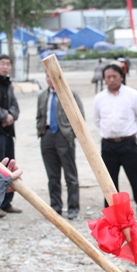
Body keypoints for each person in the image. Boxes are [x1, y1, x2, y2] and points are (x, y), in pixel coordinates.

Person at [94, 62, 137, 218]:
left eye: (114, 76)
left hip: (128, 143)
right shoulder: (99, 98)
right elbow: (97, 120)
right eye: (108, 77)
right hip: (108, 145)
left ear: (121, 77)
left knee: (136, 177)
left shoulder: (132, 95)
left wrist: (130, 132)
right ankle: (112, 212)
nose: (111, 79)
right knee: (109, 182)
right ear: (104, 79)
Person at [36, 74, 84, 220]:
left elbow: (80, 117)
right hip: (47, 135)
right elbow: (39, 116)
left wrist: (71, 134)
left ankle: (73, 208)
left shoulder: (70, 94)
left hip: (64, 136)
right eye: (48, 76)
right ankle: (55, 207)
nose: (51, 80)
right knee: (52, 176)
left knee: (70, 175)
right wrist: (41, 131)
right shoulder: (42, 96)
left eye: (53, 76)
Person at [0, 54, 21, 217]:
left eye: (8, 64)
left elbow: (15, 106)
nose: (5, 67)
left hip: (7, 131)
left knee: (9, 165)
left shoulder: (9, 84)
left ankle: (6, 203)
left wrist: (11, 115)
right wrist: (5, 116)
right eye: (2, 64)